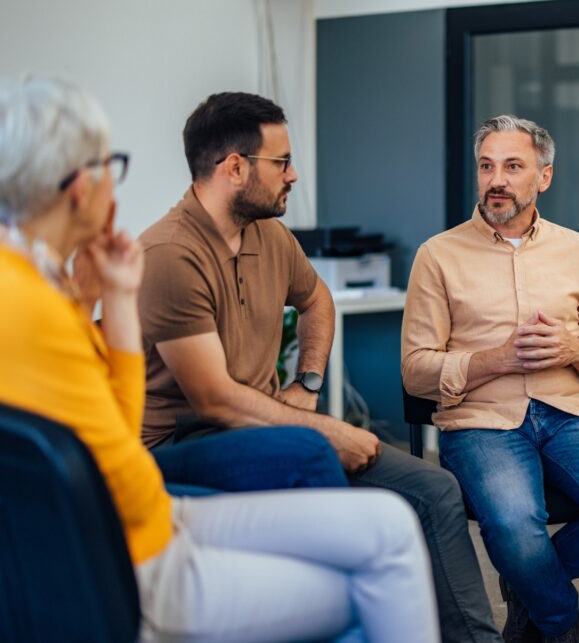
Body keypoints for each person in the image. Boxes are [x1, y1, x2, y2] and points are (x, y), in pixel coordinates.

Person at [0, 77, 438, 643]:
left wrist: (109, 299)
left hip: (147, 514)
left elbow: (111, 422)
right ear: (82, 187)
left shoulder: (34, 283)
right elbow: (116, 456)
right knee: (372, 578)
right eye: (114, 164)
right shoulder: (39, 308)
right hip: (134, 553)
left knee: (389, 525)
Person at [137, 91, 502, 643]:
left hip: (261, 426)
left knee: (435, 490)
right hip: (179, 445)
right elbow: (212, 398)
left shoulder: (270, 235)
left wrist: (307, 385)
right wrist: (327, 428)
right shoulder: (170, 253)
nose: (294, 176)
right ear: (234, 167)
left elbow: (317, 300)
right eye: (281, 162)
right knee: (315, 454)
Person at [402, 115, 579, 643]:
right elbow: (415, 370)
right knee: (516, 524)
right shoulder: (438, 255)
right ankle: (557, 623)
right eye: (487, 166)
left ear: (543, 176)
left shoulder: (577, 250)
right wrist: (492, 361)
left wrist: (575, 349)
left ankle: (527, 588)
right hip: (481, 421)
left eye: (513, 166)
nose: (497, 179)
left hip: (568, 414)